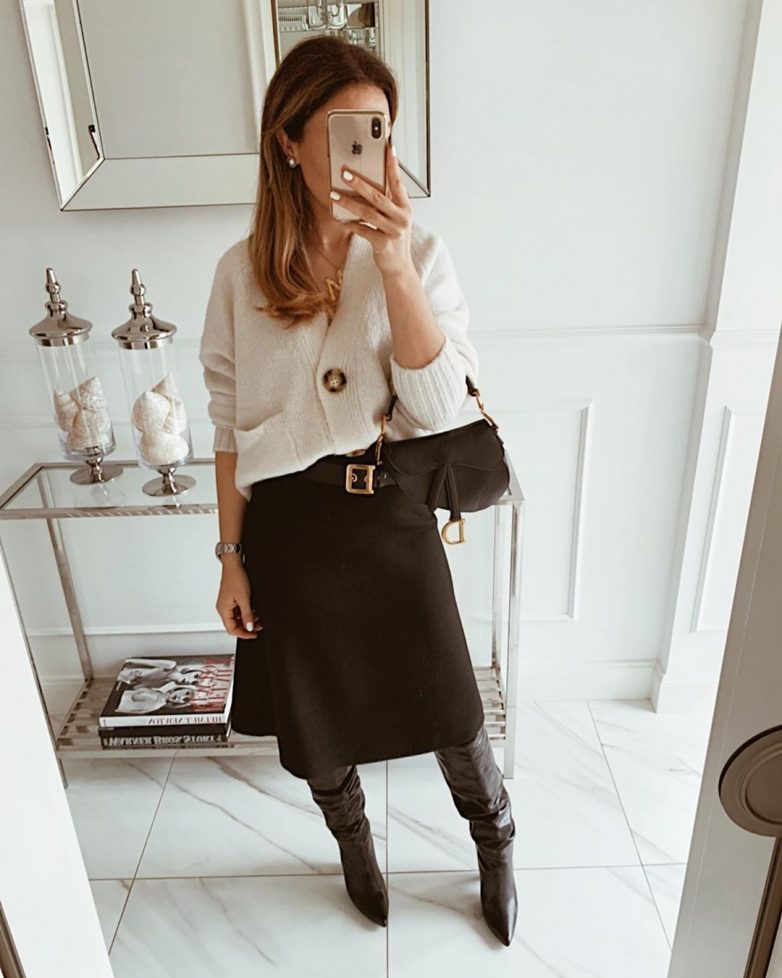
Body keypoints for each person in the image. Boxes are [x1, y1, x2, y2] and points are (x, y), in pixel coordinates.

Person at [198, 35, 517, 947]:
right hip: (290, 535)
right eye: (342, 128)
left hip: (389, 515)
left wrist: (396, 265)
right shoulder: (239, 272)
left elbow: (439, 405)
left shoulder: (419, 251)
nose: (363, 149)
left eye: (376, 129)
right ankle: (353, 845)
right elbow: (227, 428)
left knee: (452, 710)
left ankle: (494, 839)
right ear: (288, 140)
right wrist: (230, 557)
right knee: (319, 724)